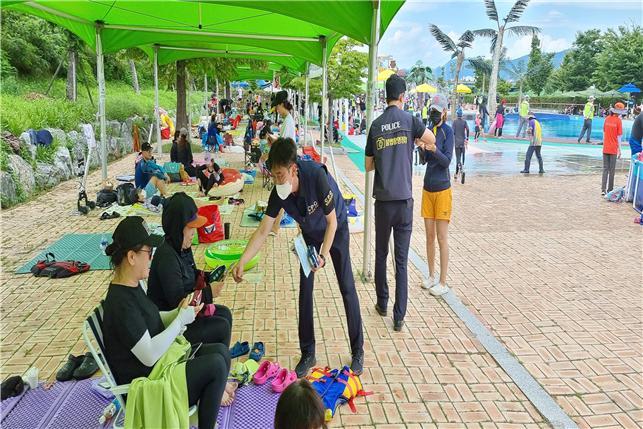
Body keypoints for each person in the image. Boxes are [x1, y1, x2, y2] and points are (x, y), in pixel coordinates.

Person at [232, 138, 364, 377]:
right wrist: (242, 260)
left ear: (293, 169)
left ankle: (358, 350)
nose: (277, 180)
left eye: (280, 175)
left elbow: (332, 221)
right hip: (310, 235)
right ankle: (308, 352)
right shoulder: (279, 192)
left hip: (336, 229)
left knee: (346, 287)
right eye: (273, 175)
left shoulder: (316, 177)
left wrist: (322, 257)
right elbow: (263, 230)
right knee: (305, 289)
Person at [102, 216, 233, 429]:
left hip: (161, 366)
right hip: (150, 383)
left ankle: (204, 418)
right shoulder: (121, 304)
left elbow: (153, 320)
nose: (151, 259)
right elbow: (149, 355)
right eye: (148, 253)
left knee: (221, 352)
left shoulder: (132, 285)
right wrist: (180, 320)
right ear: (132, 257)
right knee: (216, 366)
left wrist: (178, 313)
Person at [365, 74, 436, 331]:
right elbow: (431, 140)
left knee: (381, 253)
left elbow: (368, 166)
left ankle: (382, 302)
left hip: (383, 200)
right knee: (402, 260)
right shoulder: (410, 121)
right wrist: (414, 142)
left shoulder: (375, 125)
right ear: (403, 97)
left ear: (386, 96)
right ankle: (398, 316)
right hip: (404, 200)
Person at [148, 193, 233, 348]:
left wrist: (209, 277)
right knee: (221, 327)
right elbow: (179, 304)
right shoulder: (167, 258)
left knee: (225, 314)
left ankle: (217, 356)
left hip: (187, 316)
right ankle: (213, 359)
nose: (194, 232)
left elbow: (192, 274)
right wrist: (208, 293)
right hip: (171, 327)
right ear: (178, 227)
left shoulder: (181, 247)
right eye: (191, 228)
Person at [419, 94, 454, 297]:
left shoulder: (447, 133)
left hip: (442, 189)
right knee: (429, 236)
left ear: (444, 112)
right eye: (431, 111)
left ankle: (443, 281)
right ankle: (431, 275)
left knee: (442, 237)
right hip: (428, 187)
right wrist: (422, 148)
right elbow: (424, 161)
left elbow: (447, 161)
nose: (433, 115)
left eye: (437, 112)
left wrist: (434, 149)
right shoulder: (428, 131)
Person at [267, 90, 297, 236]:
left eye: (277, 107)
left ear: (281, 104)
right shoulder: (288, 120)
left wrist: (273, 142)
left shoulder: (288, 121)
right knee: (283, 195)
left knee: (282, 195)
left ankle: (274, 226)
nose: (277, 110)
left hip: (285, 163)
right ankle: (275, 226)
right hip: (286, 162)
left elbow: (284, 144)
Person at [601, 102, 625, 195]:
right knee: (612, 170)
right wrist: (620, 150)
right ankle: (609, 190)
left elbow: (604, 133)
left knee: (605, 169)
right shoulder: (618, 121)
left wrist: (604, 144)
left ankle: (603, 189)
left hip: (605, 148)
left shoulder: (607, 119)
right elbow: (619, 137)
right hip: (613, 149)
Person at [452, 109, 469, 178]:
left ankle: (457, 173)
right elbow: (468, 129)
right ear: (462, 115)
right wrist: (467, 138)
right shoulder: (464, 122)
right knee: (462, 157)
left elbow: (452, 132)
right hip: (463, 142)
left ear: (457, 114)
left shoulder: (454, 122)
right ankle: (462, 167)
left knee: (458, 158)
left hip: (457, 143)